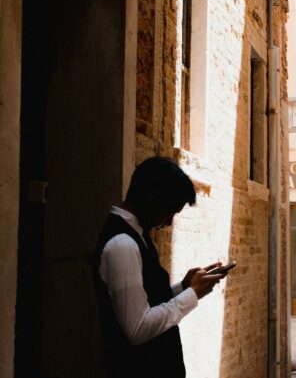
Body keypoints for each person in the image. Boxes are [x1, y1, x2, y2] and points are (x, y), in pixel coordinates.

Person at [92, 157, 226, 378]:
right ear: (152, 199)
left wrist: (183, 287)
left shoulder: (137, 236)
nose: (169, 222)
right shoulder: (122, 245)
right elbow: (137, 328)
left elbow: (147, 299)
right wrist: (191, 295)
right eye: (170, 211)